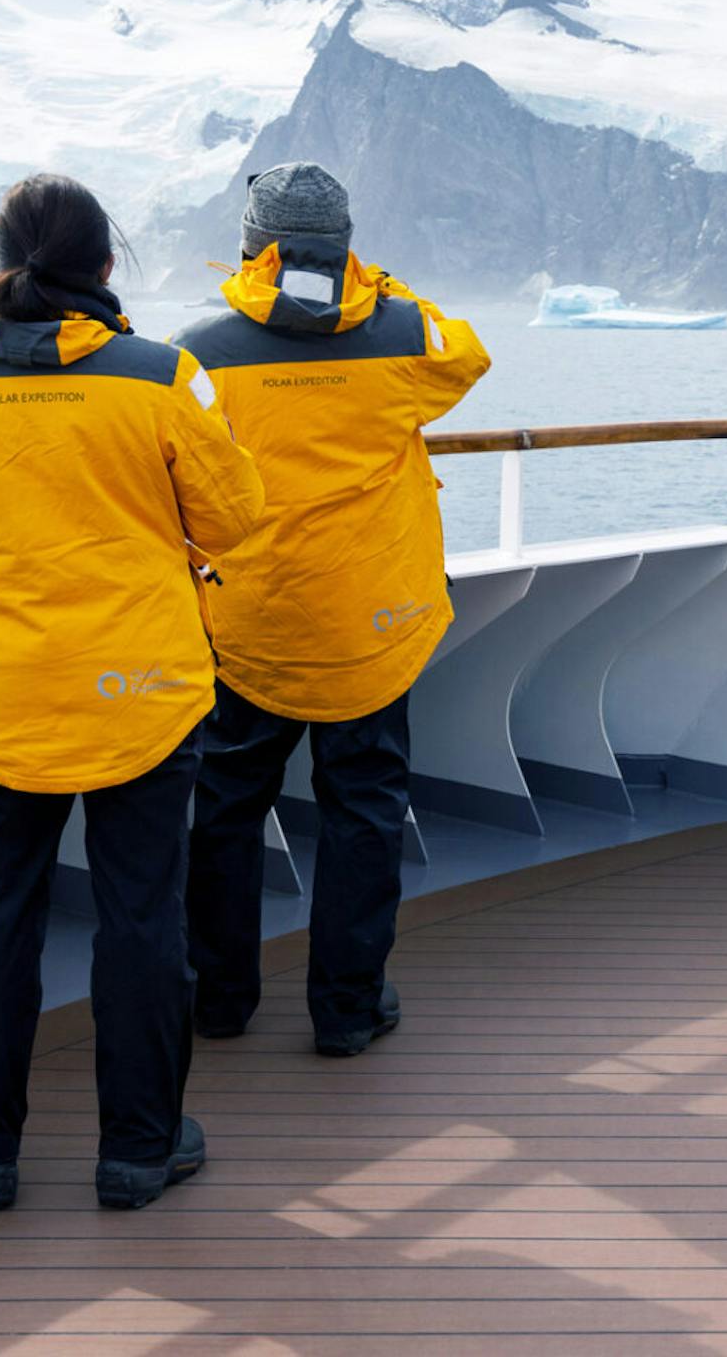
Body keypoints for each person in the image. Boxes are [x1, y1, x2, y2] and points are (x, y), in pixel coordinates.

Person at [0, 174, 264, 1214]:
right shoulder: (164, 376)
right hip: (139, 688)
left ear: (2, 264)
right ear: (105, 267)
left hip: (5, 691)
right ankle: (139, 1151)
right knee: (142, 918)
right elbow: (231, 522)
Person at [177, 162, 491, 1057]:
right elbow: (465, 350)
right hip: (368, 625)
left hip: (251, 623)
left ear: (252, 246)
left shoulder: (199, 345)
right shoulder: (400, 336)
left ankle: (220, 999)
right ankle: (347, 1011)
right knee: (364, 813)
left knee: (226, 810)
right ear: (347, 249)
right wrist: (373, 282)